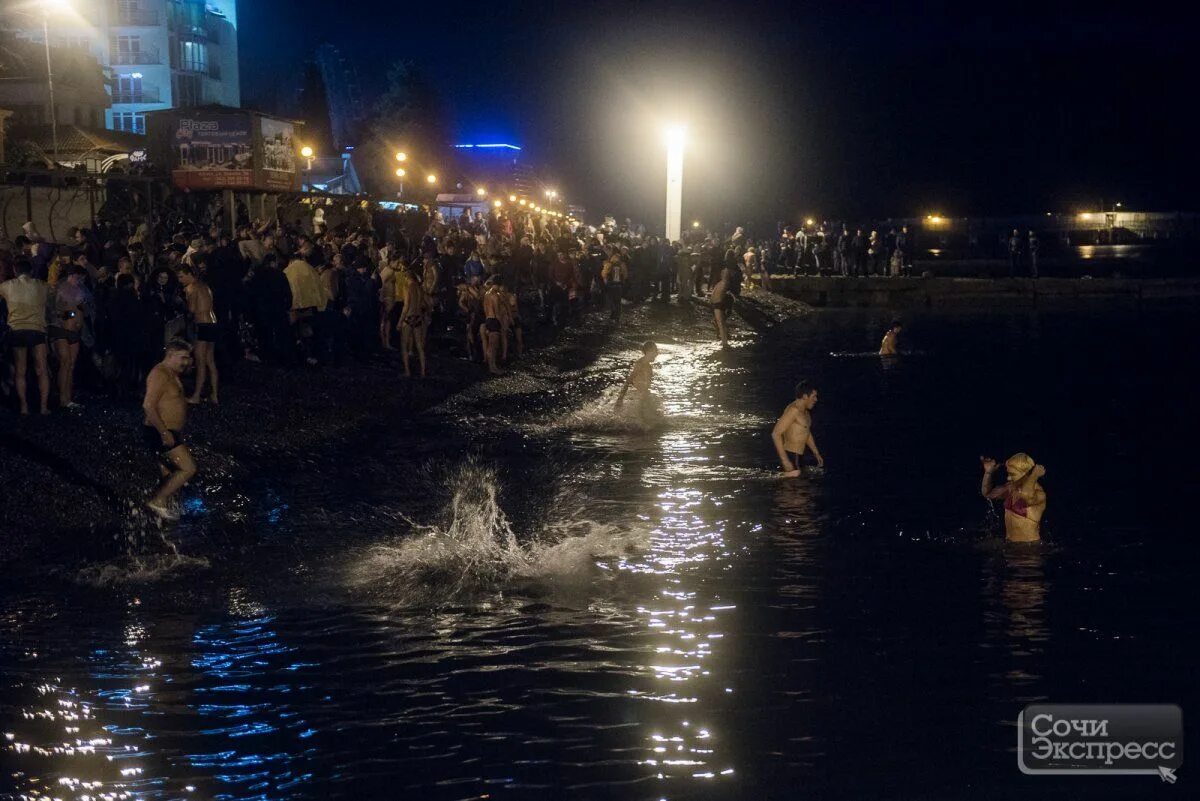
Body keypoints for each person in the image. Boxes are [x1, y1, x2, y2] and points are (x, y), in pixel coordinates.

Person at [142, 339, 197, 520]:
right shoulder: (160, 373)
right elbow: (148, 406)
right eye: (183, 358)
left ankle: (164, 516)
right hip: (161, 432)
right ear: (171, 355)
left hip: (168, 432)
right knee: (188, 468)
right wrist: (164, 432)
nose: (186, 362)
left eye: (188, 358)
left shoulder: (171, 373)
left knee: (169, 475)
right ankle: (157, 501)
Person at [0, 257, 51, 415]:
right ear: (31, 271)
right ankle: (43, 407)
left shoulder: (7, 286)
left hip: (17, 330)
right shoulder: (41, 286)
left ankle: (24, 407)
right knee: (41, 369)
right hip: (37, 330)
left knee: (20, 370)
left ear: (15, 271)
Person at [981, 453, 1046, 542]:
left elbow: (1025, 495)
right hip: (1010, 545)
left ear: (1025, 474)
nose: (1008, 478)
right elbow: (987, 493)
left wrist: (1034, 476)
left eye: (1012, 474)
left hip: (1029, 548)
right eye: (1008, 473)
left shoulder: (1039, 494)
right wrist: (988, 473)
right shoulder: (1011, 487)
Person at [49, 266, 89, 410]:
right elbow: (56, 310)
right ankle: (62, 398)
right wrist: (71, 314)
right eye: (78, 277)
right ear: (71, 275)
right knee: (65, 363)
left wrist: (79, 313)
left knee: (71, 364)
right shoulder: (58, 289)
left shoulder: (82, 290)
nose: (80, 281)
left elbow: (85, 309)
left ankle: (68, 398)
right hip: (60, 329)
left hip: (75, 331)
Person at [179, 264, 219, 405]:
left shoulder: (191, 288)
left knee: (201, 362)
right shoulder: (205, 286)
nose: (180, 280)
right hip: (213, 322)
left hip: (202, 324)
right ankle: (214, 395)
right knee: (211, 361)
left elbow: (191, 309)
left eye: (181, 276)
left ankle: (196, 396)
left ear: (189, 274)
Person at [771, 380, 825, 477]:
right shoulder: (793, 410)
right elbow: (776, 433)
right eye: (813, 396)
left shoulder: (806, 413)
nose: (816, 400)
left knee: (806, 490)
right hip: (790, 456)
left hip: (799, 457)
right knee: (796, 489)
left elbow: (806, 432)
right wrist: (785, 461)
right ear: (805, 396)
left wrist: (816, 453)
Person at [614, 340, 660, 422]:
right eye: (655, 351)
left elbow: (646, 386)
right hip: (637, 397)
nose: (657, 353)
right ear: (648, 351)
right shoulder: (640, 364)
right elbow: (629, 381)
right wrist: (620, 399)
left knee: (655, 418)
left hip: (643, 396)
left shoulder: (648, 367)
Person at [398, 263, 430, 378]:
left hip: (409, 317)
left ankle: (407, 371)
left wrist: (400, 321)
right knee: (420, 346)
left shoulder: (407, 287)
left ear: (407, 277)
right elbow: (423, 304)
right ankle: (423, 372)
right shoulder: (419, 288)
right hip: (418, 318)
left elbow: (406, 306)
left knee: (404, 346)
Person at [480, 276, 505, 375]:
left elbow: (485, 309)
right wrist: (502, 324)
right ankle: (492, 367)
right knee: (493, 346)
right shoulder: (495, 296)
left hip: (488, 319)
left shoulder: (486, 294)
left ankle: (492, 366)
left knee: (491, 345)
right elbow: (497, 312)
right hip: (494, 320)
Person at [710, 262, 734, 347]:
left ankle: (724, 342)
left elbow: (727, 293)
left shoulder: (725, 283)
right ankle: (724, 340)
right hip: (716, 304)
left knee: (721, 323)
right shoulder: (721, 282)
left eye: (724, 273)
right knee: (720, 323)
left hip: (719, 304)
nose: (722, 273)